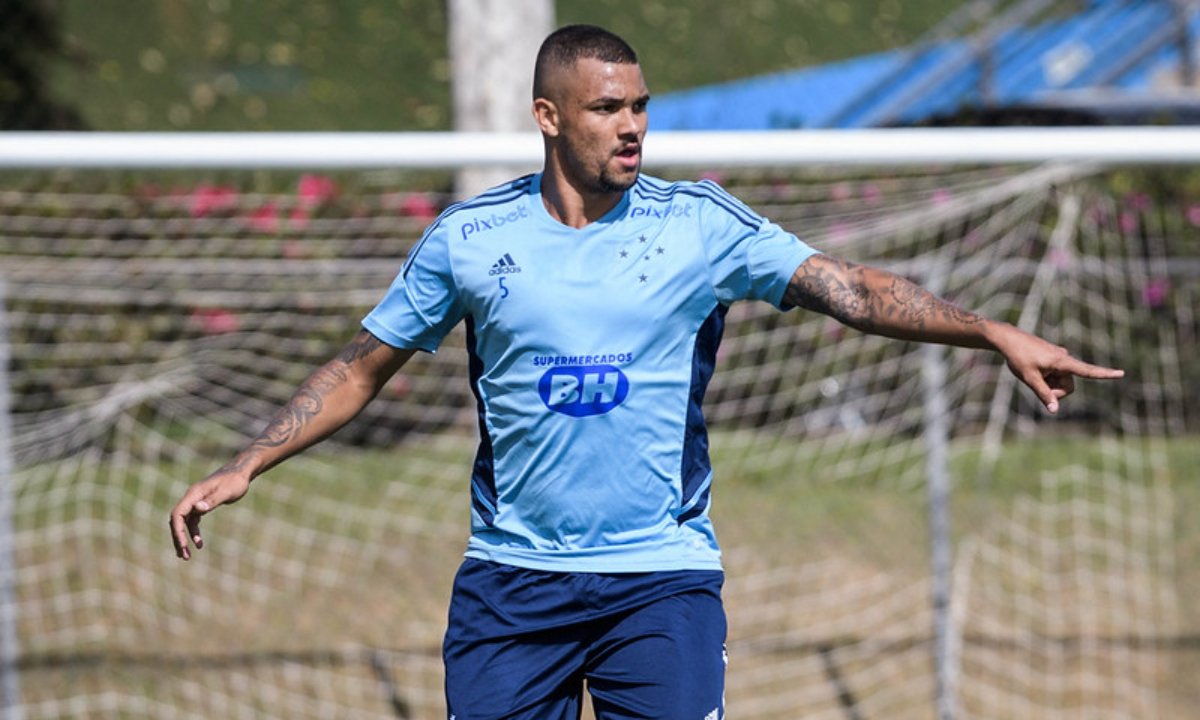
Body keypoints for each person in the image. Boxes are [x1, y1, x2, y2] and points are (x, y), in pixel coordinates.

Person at [169, 24, 1124, 720]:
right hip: (513, 583)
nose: (632, 127)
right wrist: (250, 460)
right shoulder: (470, 241)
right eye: (606, 108)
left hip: (658, 579)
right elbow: (362, 364)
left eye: (640, 107)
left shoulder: (697, 226)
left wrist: (993, 331)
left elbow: (854, 291)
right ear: (548, 116)